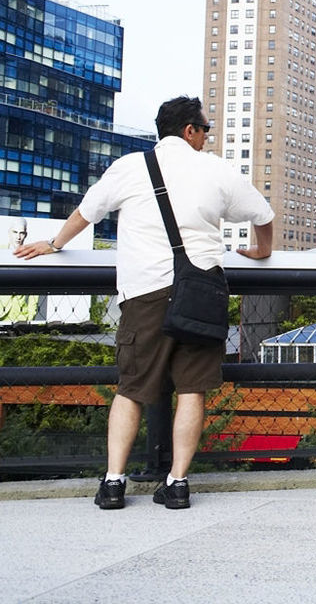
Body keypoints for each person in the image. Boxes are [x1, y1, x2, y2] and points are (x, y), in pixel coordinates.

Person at [16, 96, 274, 510]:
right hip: (202, 290)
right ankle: (177, 484)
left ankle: (114, 483)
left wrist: (54, 243)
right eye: (205, 129)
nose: (207, 137)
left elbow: (87, 212)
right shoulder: (215, 170)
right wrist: (262, 252)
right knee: (192, 391)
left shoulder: (131, 167)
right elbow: (263, 215)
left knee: (132, 389)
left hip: (145, 293)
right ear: (189, 130)